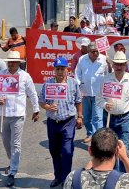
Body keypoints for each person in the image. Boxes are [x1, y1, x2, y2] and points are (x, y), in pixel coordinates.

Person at [0, 51, 40, 187]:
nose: (11, 64)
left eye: (14, 62)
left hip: (18, 115)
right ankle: (12, 161)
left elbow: (32, 93)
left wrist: (36, 109)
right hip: (2, 114)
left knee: (15, 144)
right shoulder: (1, 74)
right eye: (9, 62)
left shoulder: (25, 76)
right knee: (5, 141)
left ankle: (12, 171)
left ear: (19, 63)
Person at [39, 57, 82, 187]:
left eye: (62, 69)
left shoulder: (73, 83)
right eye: (57, 69)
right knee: (54, 150)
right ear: (54, 70)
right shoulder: (48, 84)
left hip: (68, 122)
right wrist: (48, 107)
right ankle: (58, 176)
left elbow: (78, 101)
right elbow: (41, 101)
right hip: (52, 122)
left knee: (67, 151)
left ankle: (66, 179)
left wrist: (80, 117)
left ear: (66, 70)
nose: (60, 71)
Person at [64, 128, 129, 189]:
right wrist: (125, 158)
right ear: (117, 151)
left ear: (90, 151)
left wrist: (95, 151)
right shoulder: (128, 181)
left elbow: (85, 171)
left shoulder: (73, 178)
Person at [96, 51, 129, 171]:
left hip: (125, 117)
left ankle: (122, 176)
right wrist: (105, 104)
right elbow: (98, 99)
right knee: (109, 148)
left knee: (122, 149)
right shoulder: (106, 79)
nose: (119, 67)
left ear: (126, 65)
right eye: (117, 64)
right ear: (113, 65)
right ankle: (112, 174)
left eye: (122, 64)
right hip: (109, 117)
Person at [75, 41, 108, 143]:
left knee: (98, 117)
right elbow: (77, 73)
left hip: (99, 94)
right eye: (93, 52)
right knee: (86, 117)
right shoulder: (82, 59)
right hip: (85, 93)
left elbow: (108, 74)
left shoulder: (104, 59)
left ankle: (99, 139)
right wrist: (79, 85)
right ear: (88, 51)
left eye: (97, 51)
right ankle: (90, 133)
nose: (95, 53)